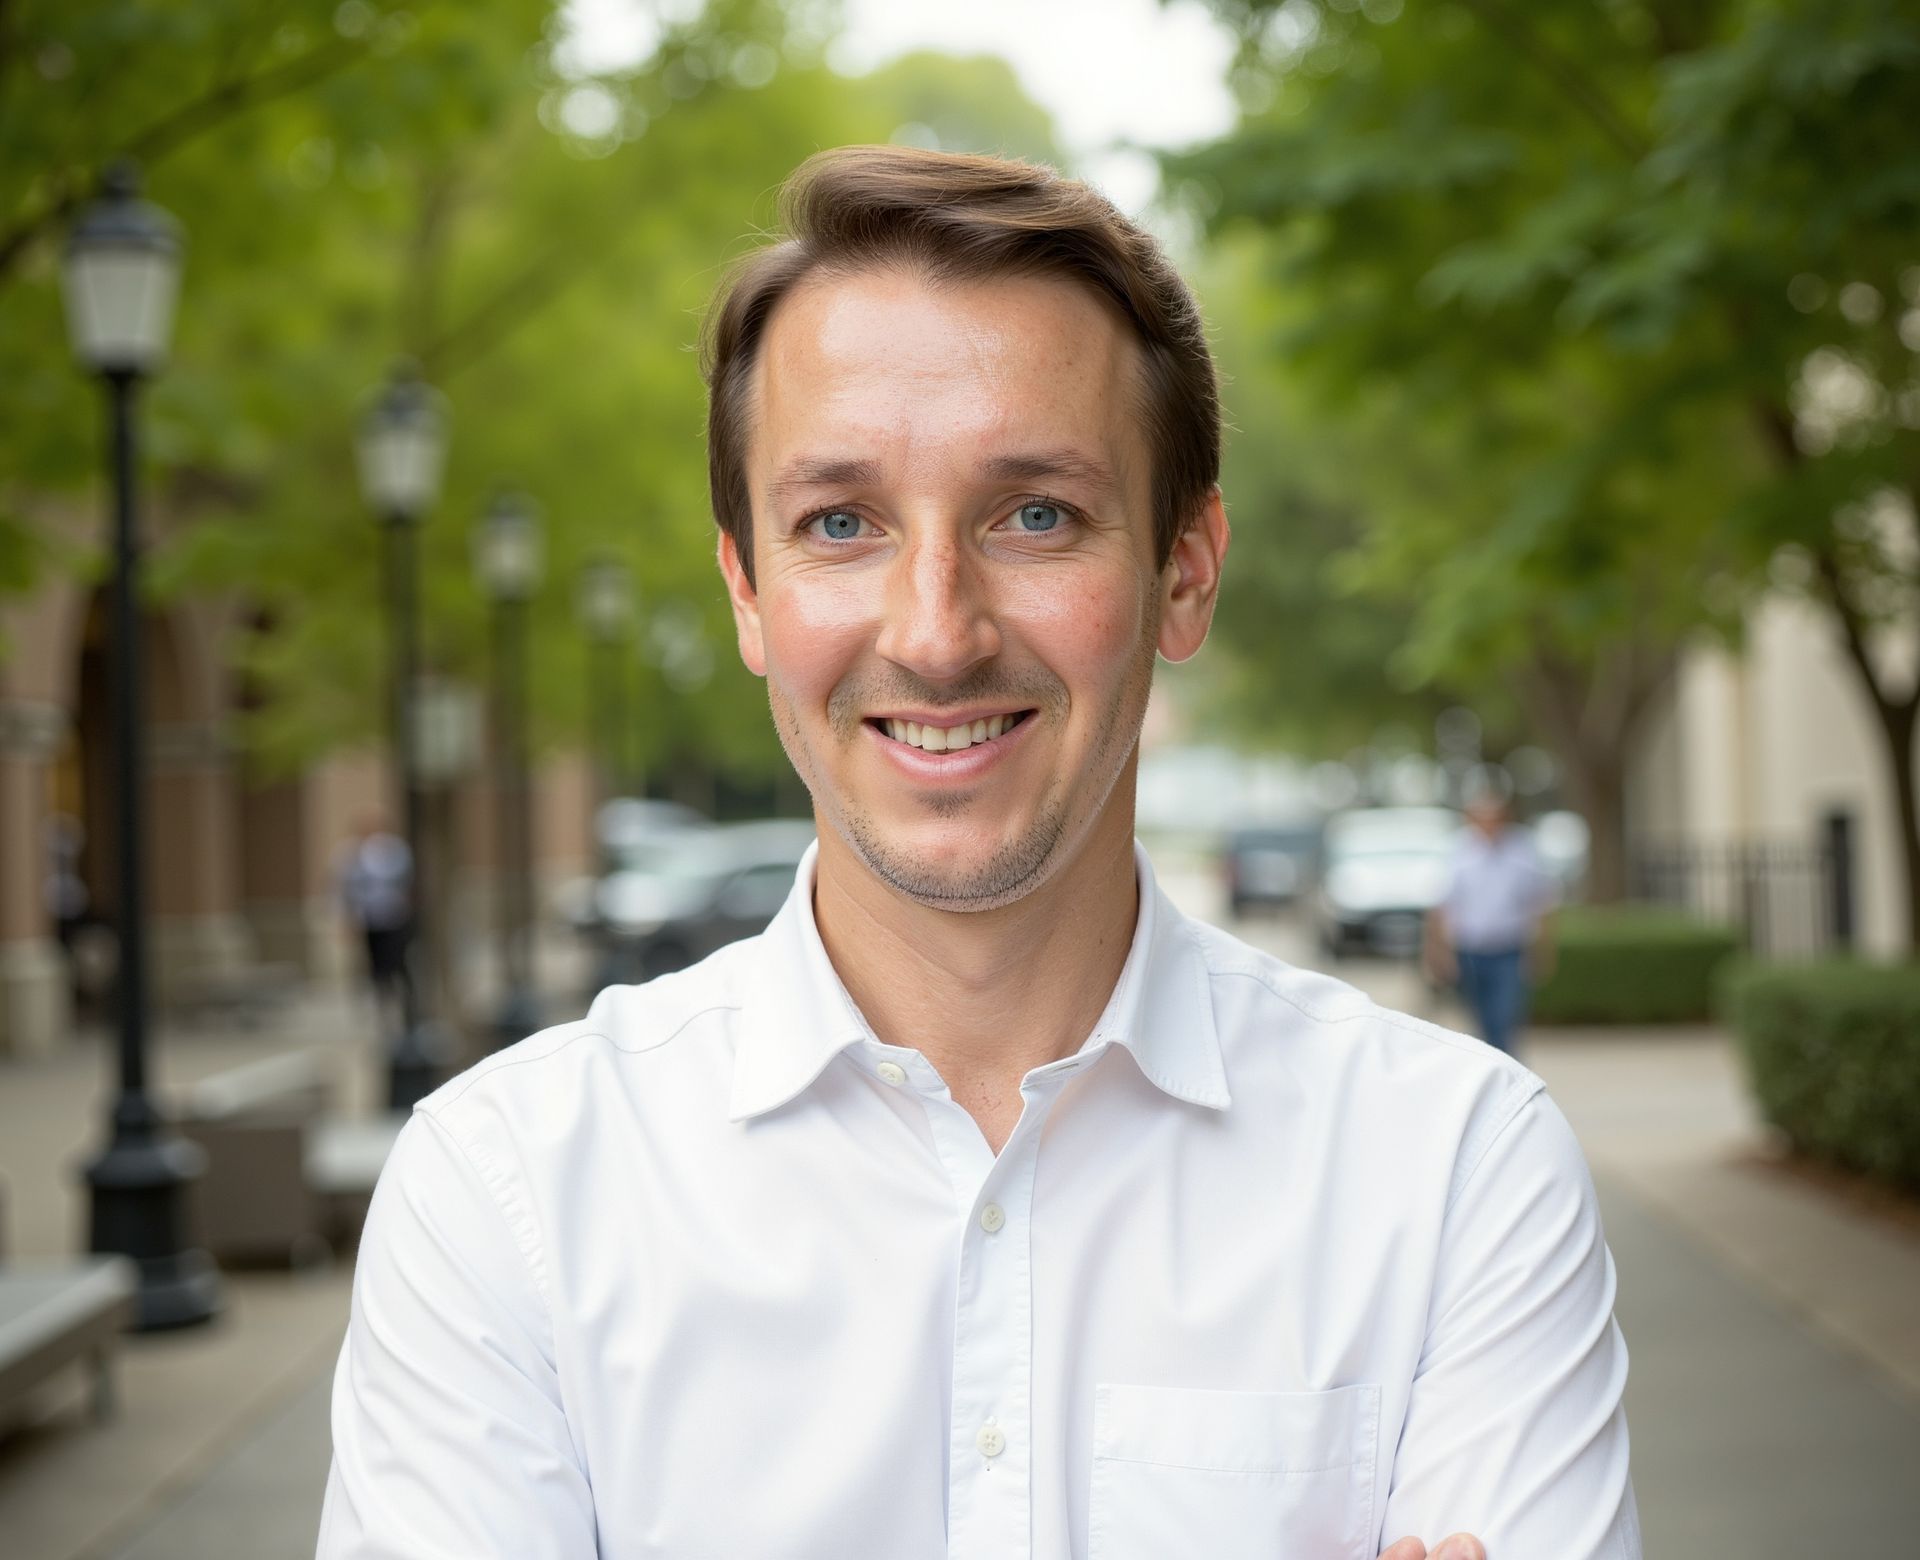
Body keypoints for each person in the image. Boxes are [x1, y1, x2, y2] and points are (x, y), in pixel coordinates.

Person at [319, 149, 1637, 1560]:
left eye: (1036, 516)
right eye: (841, 522)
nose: (937, 633)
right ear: (749, 592)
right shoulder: (503, 1196)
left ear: (1183, 577)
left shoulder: (1454, 1176)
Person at [1424, 779, 1560, 1057]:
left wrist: (1542, 949)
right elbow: (1441, 906)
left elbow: (1540, 901)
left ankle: (1509, 1073)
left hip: (1509, 948)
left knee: (1505, 1017)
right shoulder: (1458, 851)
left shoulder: (1522, 849)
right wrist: (1437, 953)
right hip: (1470, 951)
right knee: (1480, 1020)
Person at [336, 818, 414, 1037]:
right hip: (369, 920)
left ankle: (405, 1003)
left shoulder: (394, 852)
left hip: (394, 917)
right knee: (375, 965)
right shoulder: (351, 855)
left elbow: (405, 881)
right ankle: (381, 1006)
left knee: (397, 961)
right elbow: (345, 889)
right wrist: (347, 920)